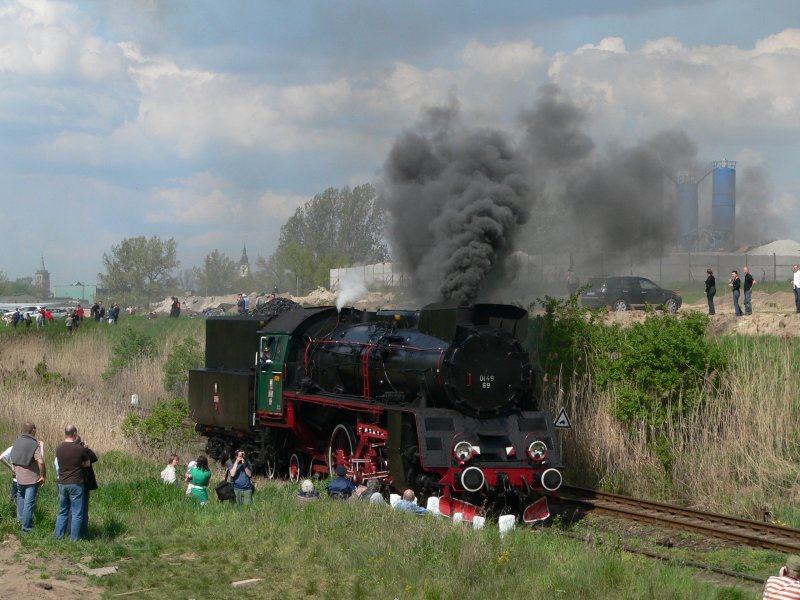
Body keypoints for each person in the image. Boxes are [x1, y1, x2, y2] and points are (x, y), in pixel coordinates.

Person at [54, 424, 91, 541]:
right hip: (75, 483)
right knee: (77, 513)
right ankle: (74, 539)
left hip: (62, 483)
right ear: (74, 434)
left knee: (63, 511)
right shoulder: (79, 449)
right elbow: (87, 463)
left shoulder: (59, 448)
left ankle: (58, 536)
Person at [10, 421, 45, 533]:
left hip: (19, 477)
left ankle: (20, 521)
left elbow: (12, 459)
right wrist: (43, 475)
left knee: (20, 497)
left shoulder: (17, 441)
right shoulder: (34, 444)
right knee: (29, 502)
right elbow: (41, 462)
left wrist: (16, 471)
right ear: (33, 430)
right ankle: (26, 528)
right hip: (31, 478)